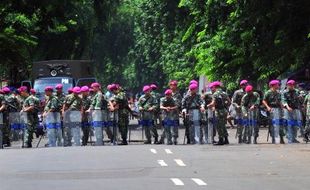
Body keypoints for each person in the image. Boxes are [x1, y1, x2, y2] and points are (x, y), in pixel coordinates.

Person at [207, 81, 231, 145]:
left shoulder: (215, 94)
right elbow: (229, 102)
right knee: (223, 125)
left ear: (215, 87)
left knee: (219, 126)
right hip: (224, 110)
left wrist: (208, 106)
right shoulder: (224, 93)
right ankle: (226, 139)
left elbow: (213, 103)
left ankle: (221, 140)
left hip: (218, 111)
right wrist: (224, 105)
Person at [262, 80, 285, 144]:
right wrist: (268, 107)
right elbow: (264, 101)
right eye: (277, 84)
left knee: (280, 123)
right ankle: (274, 138)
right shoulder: (268, 92)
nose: (278, 85)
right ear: (273, 85)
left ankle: (281, 138)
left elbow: (280, 101)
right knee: (273, 124)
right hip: (271, 109)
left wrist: (282, 106)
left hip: (278, 109)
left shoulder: (278, 93)